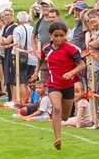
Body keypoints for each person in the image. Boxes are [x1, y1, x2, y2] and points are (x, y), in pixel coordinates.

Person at [33, 21, 85, 150]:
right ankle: (57, 138)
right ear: (50, 35)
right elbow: (40, 59)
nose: (59, 39)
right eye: (56, 35)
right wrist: (35, 72)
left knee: (65, 117)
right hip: (53, 84)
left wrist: (71, 73)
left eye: (62, 35)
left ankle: (59, 120)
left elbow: (82, 64)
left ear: (65, 35)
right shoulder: (46, 48)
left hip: (68, 85)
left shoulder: (71, 49)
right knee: (56, 108)